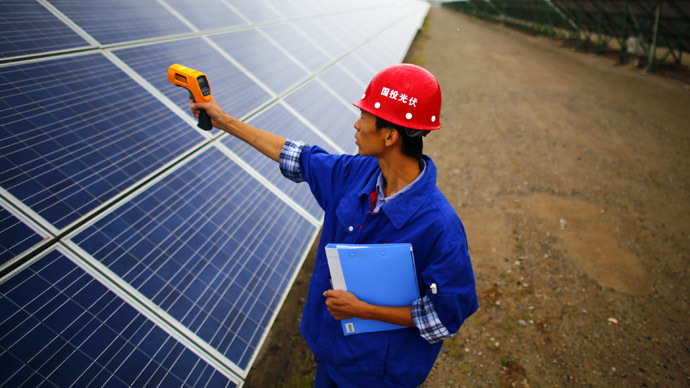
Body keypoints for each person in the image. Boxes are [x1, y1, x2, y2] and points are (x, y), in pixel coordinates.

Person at [190, 63, 478, 388]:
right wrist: (222, 119)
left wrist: (365, 310)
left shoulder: (440, 227)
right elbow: (297, 157)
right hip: (329, 350)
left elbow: (444, 317)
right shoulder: (357, 173)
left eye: (365, 117)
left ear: (389, 135)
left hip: (374, 375)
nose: (356, 124)